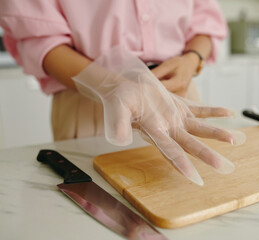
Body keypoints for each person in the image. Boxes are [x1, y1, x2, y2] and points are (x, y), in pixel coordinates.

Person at [0, 0, 245, 185]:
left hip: (177, 98)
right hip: (91, 100)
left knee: (186, 195)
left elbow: (204, 20)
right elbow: (39, 39)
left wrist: (193, 59)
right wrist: (112, 86)